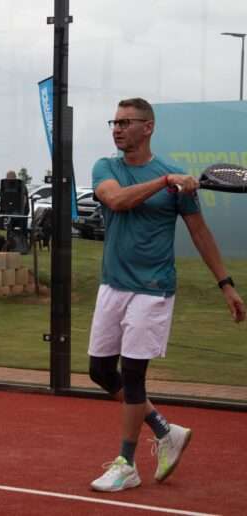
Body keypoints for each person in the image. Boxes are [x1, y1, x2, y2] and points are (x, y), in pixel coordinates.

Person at [88, 97, 246, 493]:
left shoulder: (174, 177)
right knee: (101, 371)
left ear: (148, 127)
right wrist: (164, 183)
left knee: (134, 375)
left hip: (153, 289)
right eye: (115, 122)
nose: (117, 129)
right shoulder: (107, 167)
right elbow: (116, 200)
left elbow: (200, 232)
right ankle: (164, 430)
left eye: (126, 122)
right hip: (112, 285)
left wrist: (226, 284)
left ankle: (126, 464)